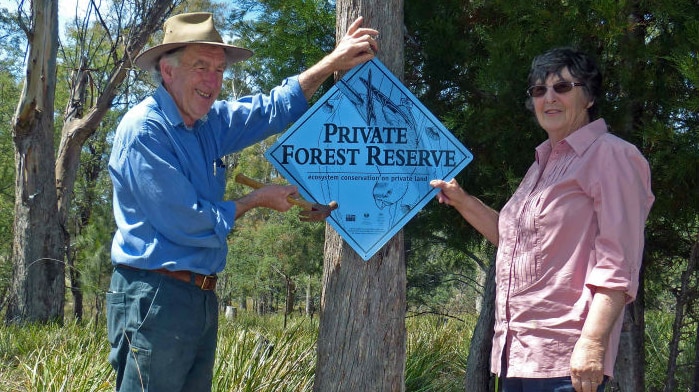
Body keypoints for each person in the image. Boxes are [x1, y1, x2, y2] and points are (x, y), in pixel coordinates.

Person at [106, 12, 378, 391]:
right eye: (201, 67)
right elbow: (186, 221)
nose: (212, 81)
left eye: (219, 70)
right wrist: (255, 201)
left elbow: (272, 109)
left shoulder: (208, 123)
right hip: (155, 296)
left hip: (197, 298)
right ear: (167, 72)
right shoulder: (144, 131)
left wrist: (332, 62)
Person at [430, 47, 654, 392]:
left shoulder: (613, 155)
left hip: (567, 362)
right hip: (516, 356)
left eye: (562, 87)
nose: (549, 98)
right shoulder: (540, 164)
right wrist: (463, 201)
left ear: (589, 96)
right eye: (539, 90)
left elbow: (619, 263)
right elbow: (513, 241)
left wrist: (592, 343)